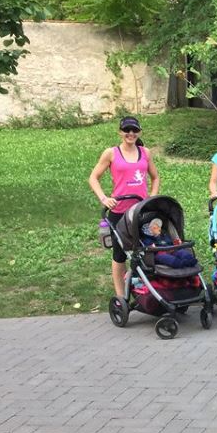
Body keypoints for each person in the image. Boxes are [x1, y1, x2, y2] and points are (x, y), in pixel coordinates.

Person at [89, 116, 160, 298]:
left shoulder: (145, 152)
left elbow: (155, 177)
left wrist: (152, 196)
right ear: (120, 132)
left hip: (141, 211)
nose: (131, 133)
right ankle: (121, 296)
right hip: (119, 212)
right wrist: (104, 198)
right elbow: (93, 177)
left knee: (146, 248)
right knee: (120, 254)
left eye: (134, 130)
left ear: (139, 132)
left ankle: (142, 284)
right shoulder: (111, 153)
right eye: (127, 130)